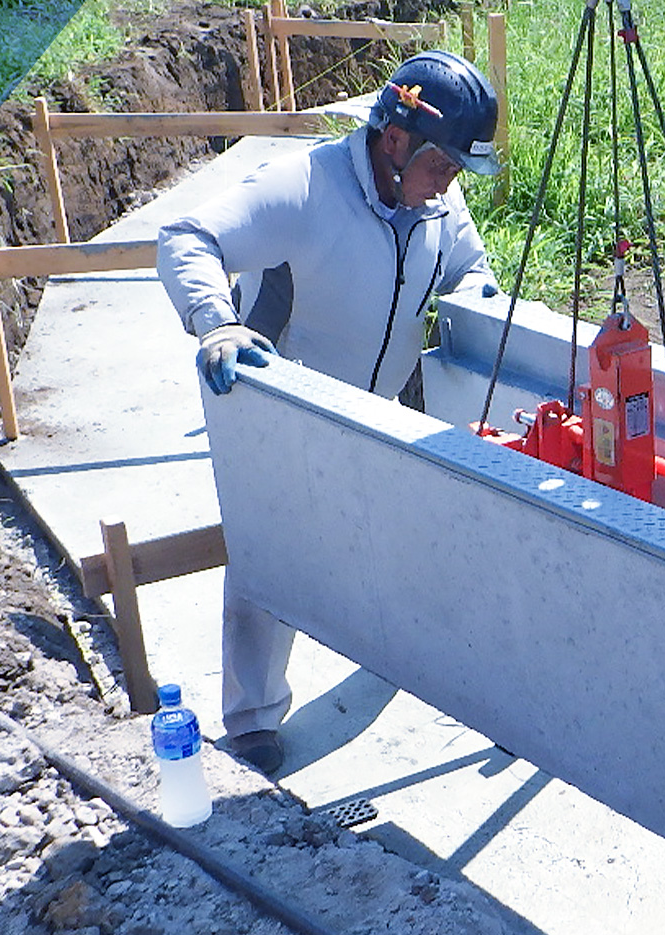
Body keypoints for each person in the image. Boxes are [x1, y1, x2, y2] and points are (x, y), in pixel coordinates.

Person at [157, 49, 503, 775]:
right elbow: (187, 237)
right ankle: (252, 719)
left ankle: (399, 649)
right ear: (396, 140)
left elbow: (471, 274)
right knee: (270, 552)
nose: (450, 186)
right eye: (444, 165)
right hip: (292, 403)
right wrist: (215, 322)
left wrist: (496, 316)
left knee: (400, 530)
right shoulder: (305, 189)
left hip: (383, 404)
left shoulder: (435, 199)